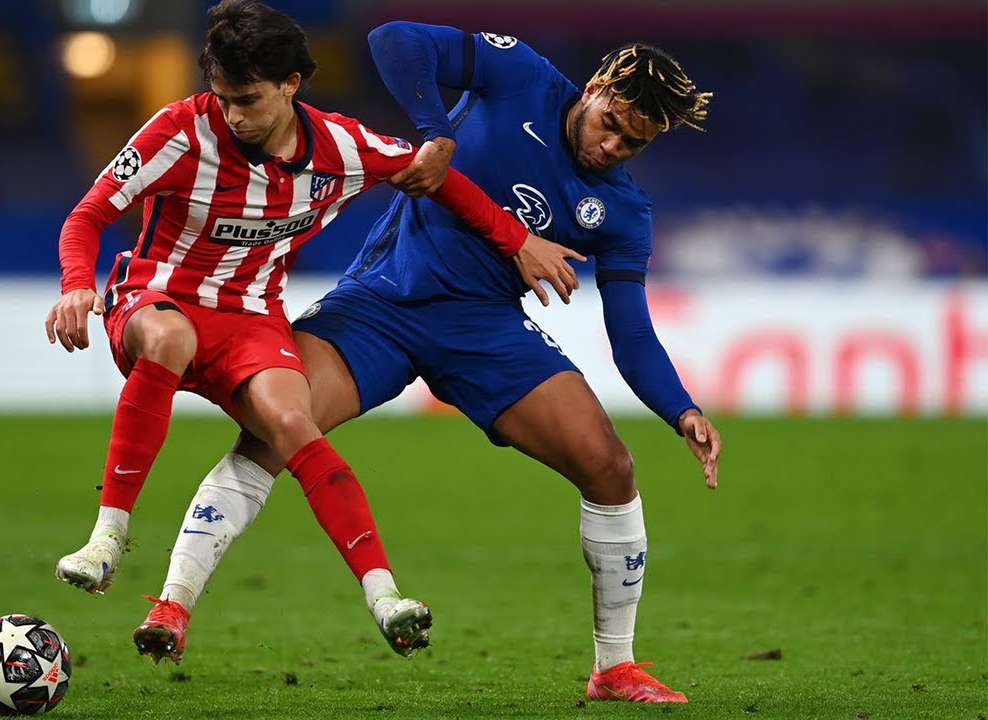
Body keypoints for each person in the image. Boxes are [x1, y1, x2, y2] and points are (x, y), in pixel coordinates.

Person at [138, 22, 723, 704]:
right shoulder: (521, 75)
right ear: (593, 90)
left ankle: (614, 668)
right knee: (276, 429)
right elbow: (395, 40)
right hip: (382, 302)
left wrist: (681, 408)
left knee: (610, 465)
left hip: (485, 331)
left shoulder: (622, 210)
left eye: (633, 142)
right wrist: (435, 130)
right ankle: (172, 604)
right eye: (611, 124)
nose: (612, 146)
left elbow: (631, 334)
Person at [45, 2, 576, 664]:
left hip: (250, 318)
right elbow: (88, 215)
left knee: (293, 423)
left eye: (248, 99)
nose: (233, 114)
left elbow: (438, 180)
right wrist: (75, 286)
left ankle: (385, 597)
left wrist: (518, 239)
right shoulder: (180, 133)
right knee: (173, 340)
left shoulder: (342, 148)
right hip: (156, 298)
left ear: (291, 84)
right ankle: (107, 538)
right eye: (223, 97)